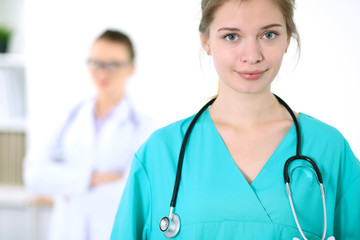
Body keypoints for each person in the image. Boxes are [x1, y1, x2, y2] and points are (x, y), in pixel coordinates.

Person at [110, 0, 360, 239]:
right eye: (231, 36)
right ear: (206, 41)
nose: (252, 56)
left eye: (269, 35)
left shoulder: (328, 148)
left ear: (288, 38)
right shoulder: (161, 152)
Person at [23, 29, 155, 240]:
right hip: (66, 232)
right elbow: (34, 175)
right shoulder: (68, 116)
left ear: (131, 67)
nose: (102, 72)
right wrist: (92, 178)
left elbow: (129, 194)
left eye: (112, 64)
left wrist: (65, 189)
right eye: (95, 62)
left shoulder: (143, 127)